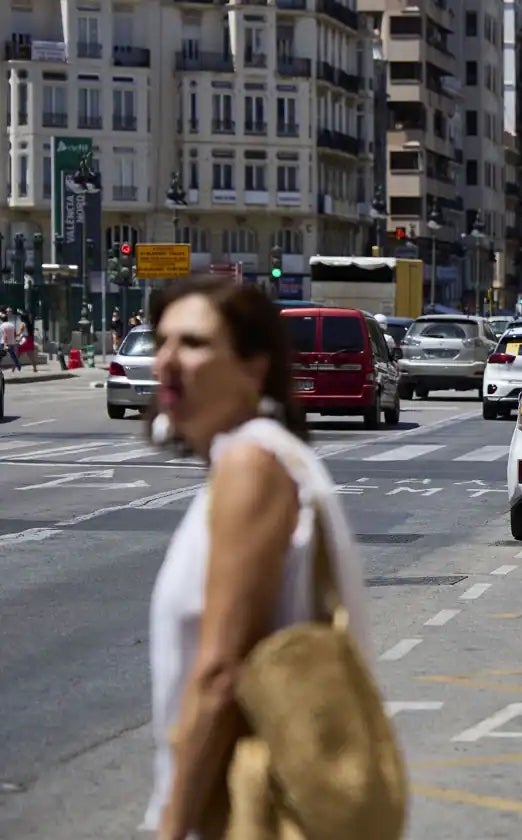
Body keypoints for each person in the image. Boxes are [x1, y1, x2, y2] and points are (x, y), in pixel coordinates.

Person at [142, 279, 370, 838]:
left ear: (254, 367)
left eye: (194, 343)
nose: (169, 360)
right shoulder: (253, 460)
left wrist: (172, 824)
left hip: (249, 807)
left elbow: (220, 672)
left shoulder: (252, 465)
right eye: (162, 342)